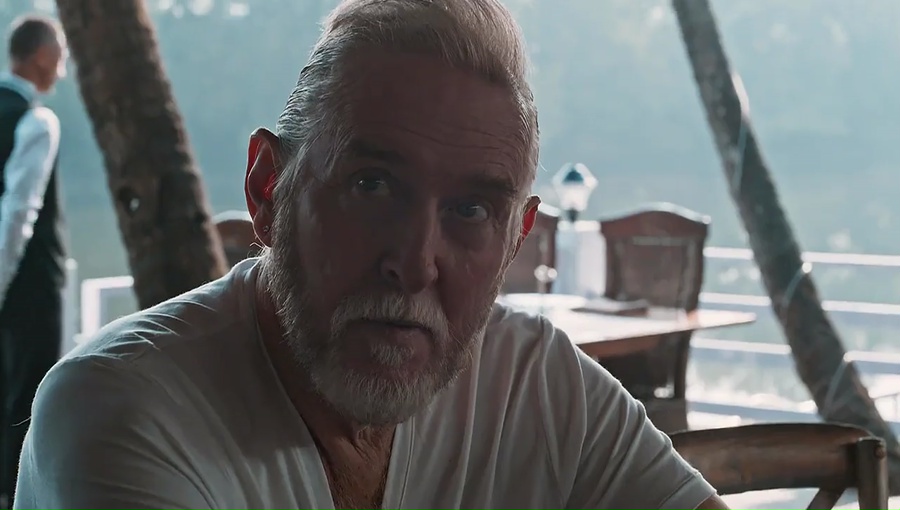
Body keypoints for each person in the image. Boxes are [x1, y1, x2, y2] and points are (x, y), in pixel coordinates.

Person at [15, 1, 730, 509]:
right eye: (372, 185)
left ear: (516, 239)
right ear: (267, 190)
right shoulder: (124, 410)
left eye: (472, 211)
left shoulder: (537, 383)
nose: (414, 263)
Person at [0, 14, 67, 509]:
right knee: (28, 399)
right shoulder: (37, 121)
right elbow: (19, 213)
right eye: (60, 56)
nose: (62, 69)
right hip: (26, 285)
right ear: (42, 56)